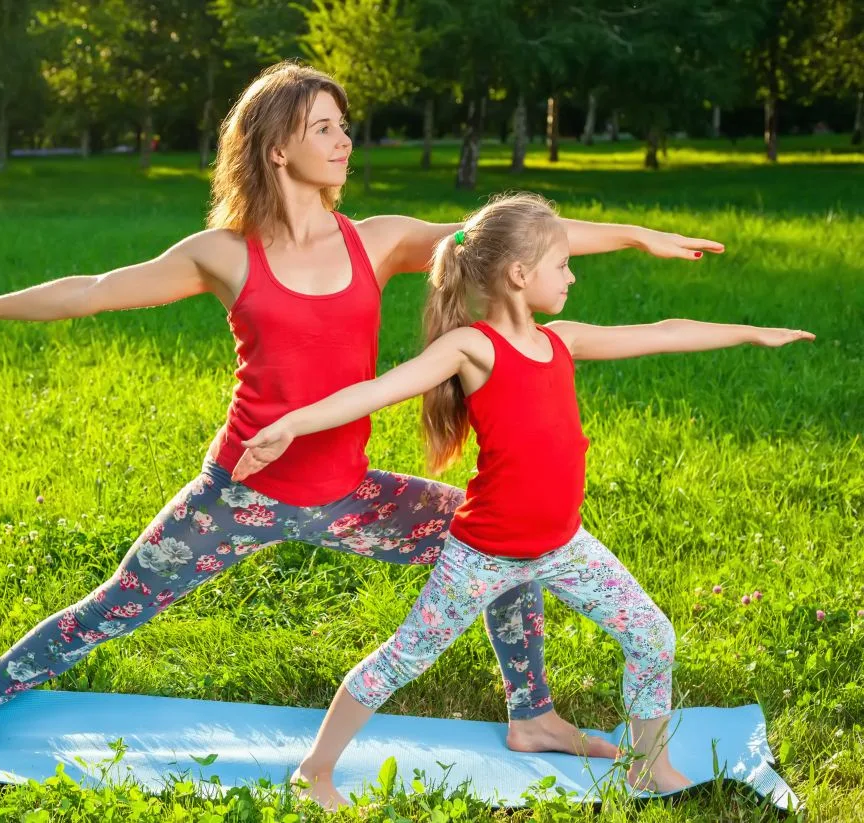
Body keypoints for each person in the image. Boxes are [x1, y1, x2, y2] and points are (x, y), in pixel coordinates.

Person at [0, 62, 724, 764]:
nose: (344, 140)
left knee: (501, 538)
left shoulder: (379, 240)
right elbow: (97, 290)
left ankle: (531, 713)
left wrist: (636, 233)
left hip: (349, 493)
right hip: (238, 494)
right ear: (278, 146)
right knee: (113, 604)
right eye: (325, 127)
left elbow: (512, 238)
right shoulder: (223, 254)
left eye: (345, 125)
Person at [230, 191, 812, 807]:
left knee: (650, 633)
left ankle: (647, 768)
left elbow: (663, 333)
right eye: (562, 264)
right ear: (518, 275)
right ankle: (315, 769)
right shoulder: (473, 349)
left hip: (564, 545)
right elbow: (377, 390)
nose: (572, 274)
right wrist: (293, 424)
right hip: (484, 555)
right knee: (403, 658)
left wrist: (752, 333)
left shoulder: (562, 340)